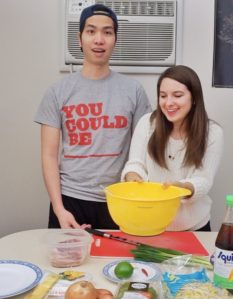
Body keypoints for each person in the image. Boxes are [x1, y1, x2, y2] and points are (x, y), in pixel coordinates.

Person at [35, 4, 152, 229]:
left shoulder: (134, 90)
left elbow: (145, 150)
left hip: (118, 200)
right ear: (79, 39)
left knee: (118, 265)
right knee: (66, 264)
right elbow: (49, 156)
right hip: (70, 200)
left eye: (107, 32)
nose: (99, 39)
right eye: (91, 31)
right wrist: (59, 209)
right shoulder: (57, 92)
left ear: (115, 40)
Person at [122, 65, 224, 231]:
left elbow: (204, 180)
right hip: (150, 223)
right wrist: (133, 176)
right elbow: (135, 163)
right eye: (163, 96)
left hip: (193, 226)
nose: (168, 103)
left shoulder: (212, 133)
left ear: (194, 97)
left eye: (177, 95)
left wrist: (182, 188)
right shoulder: (147, 123)